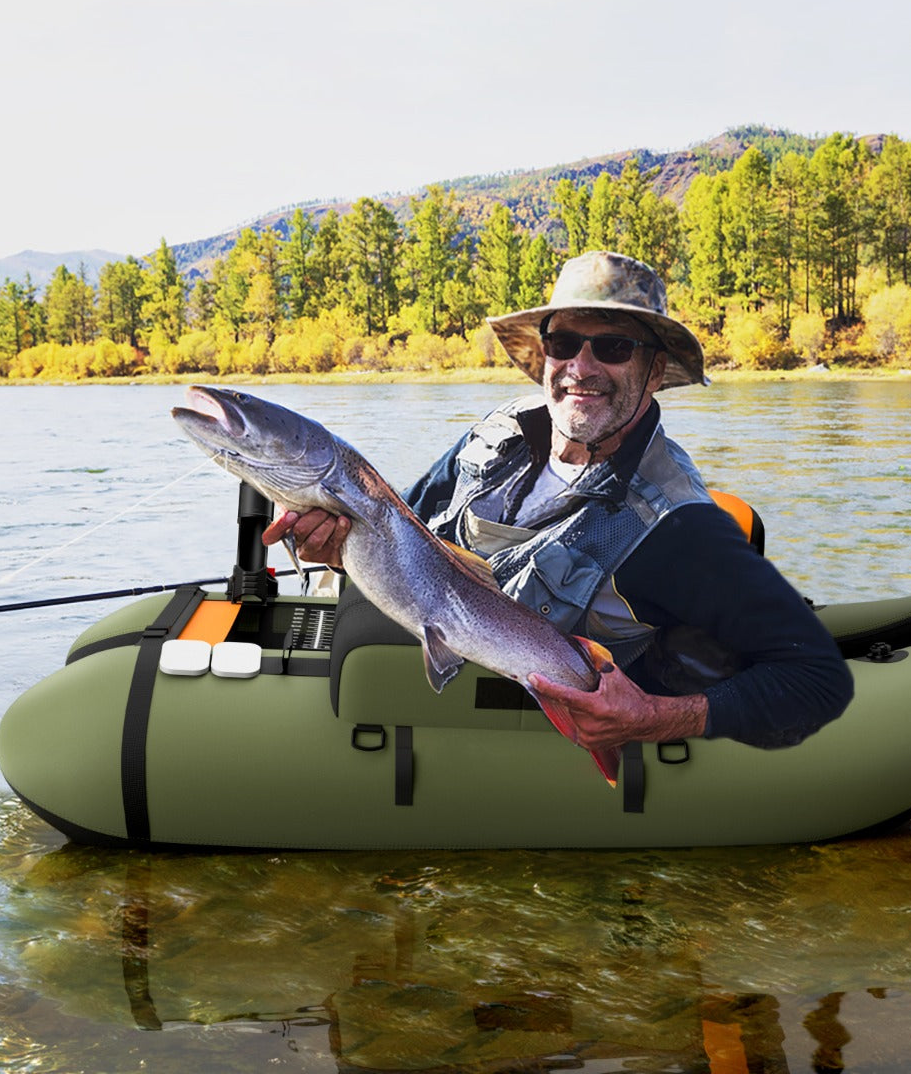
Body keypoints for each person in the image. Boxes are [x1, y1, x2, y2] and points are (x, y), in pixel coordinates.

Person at [264, 250, 852, 753]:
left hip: (516, 737)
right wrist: (335, 547)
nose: (581, 368)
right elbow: (403, 536)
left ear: (654, 371)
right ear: (544, 354)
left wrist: (653, 718)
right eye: (564, 342)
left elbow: (817, 677)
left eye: (613, 346)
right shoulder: (495, 434)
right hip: (401, 687)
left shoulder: (681, 525)